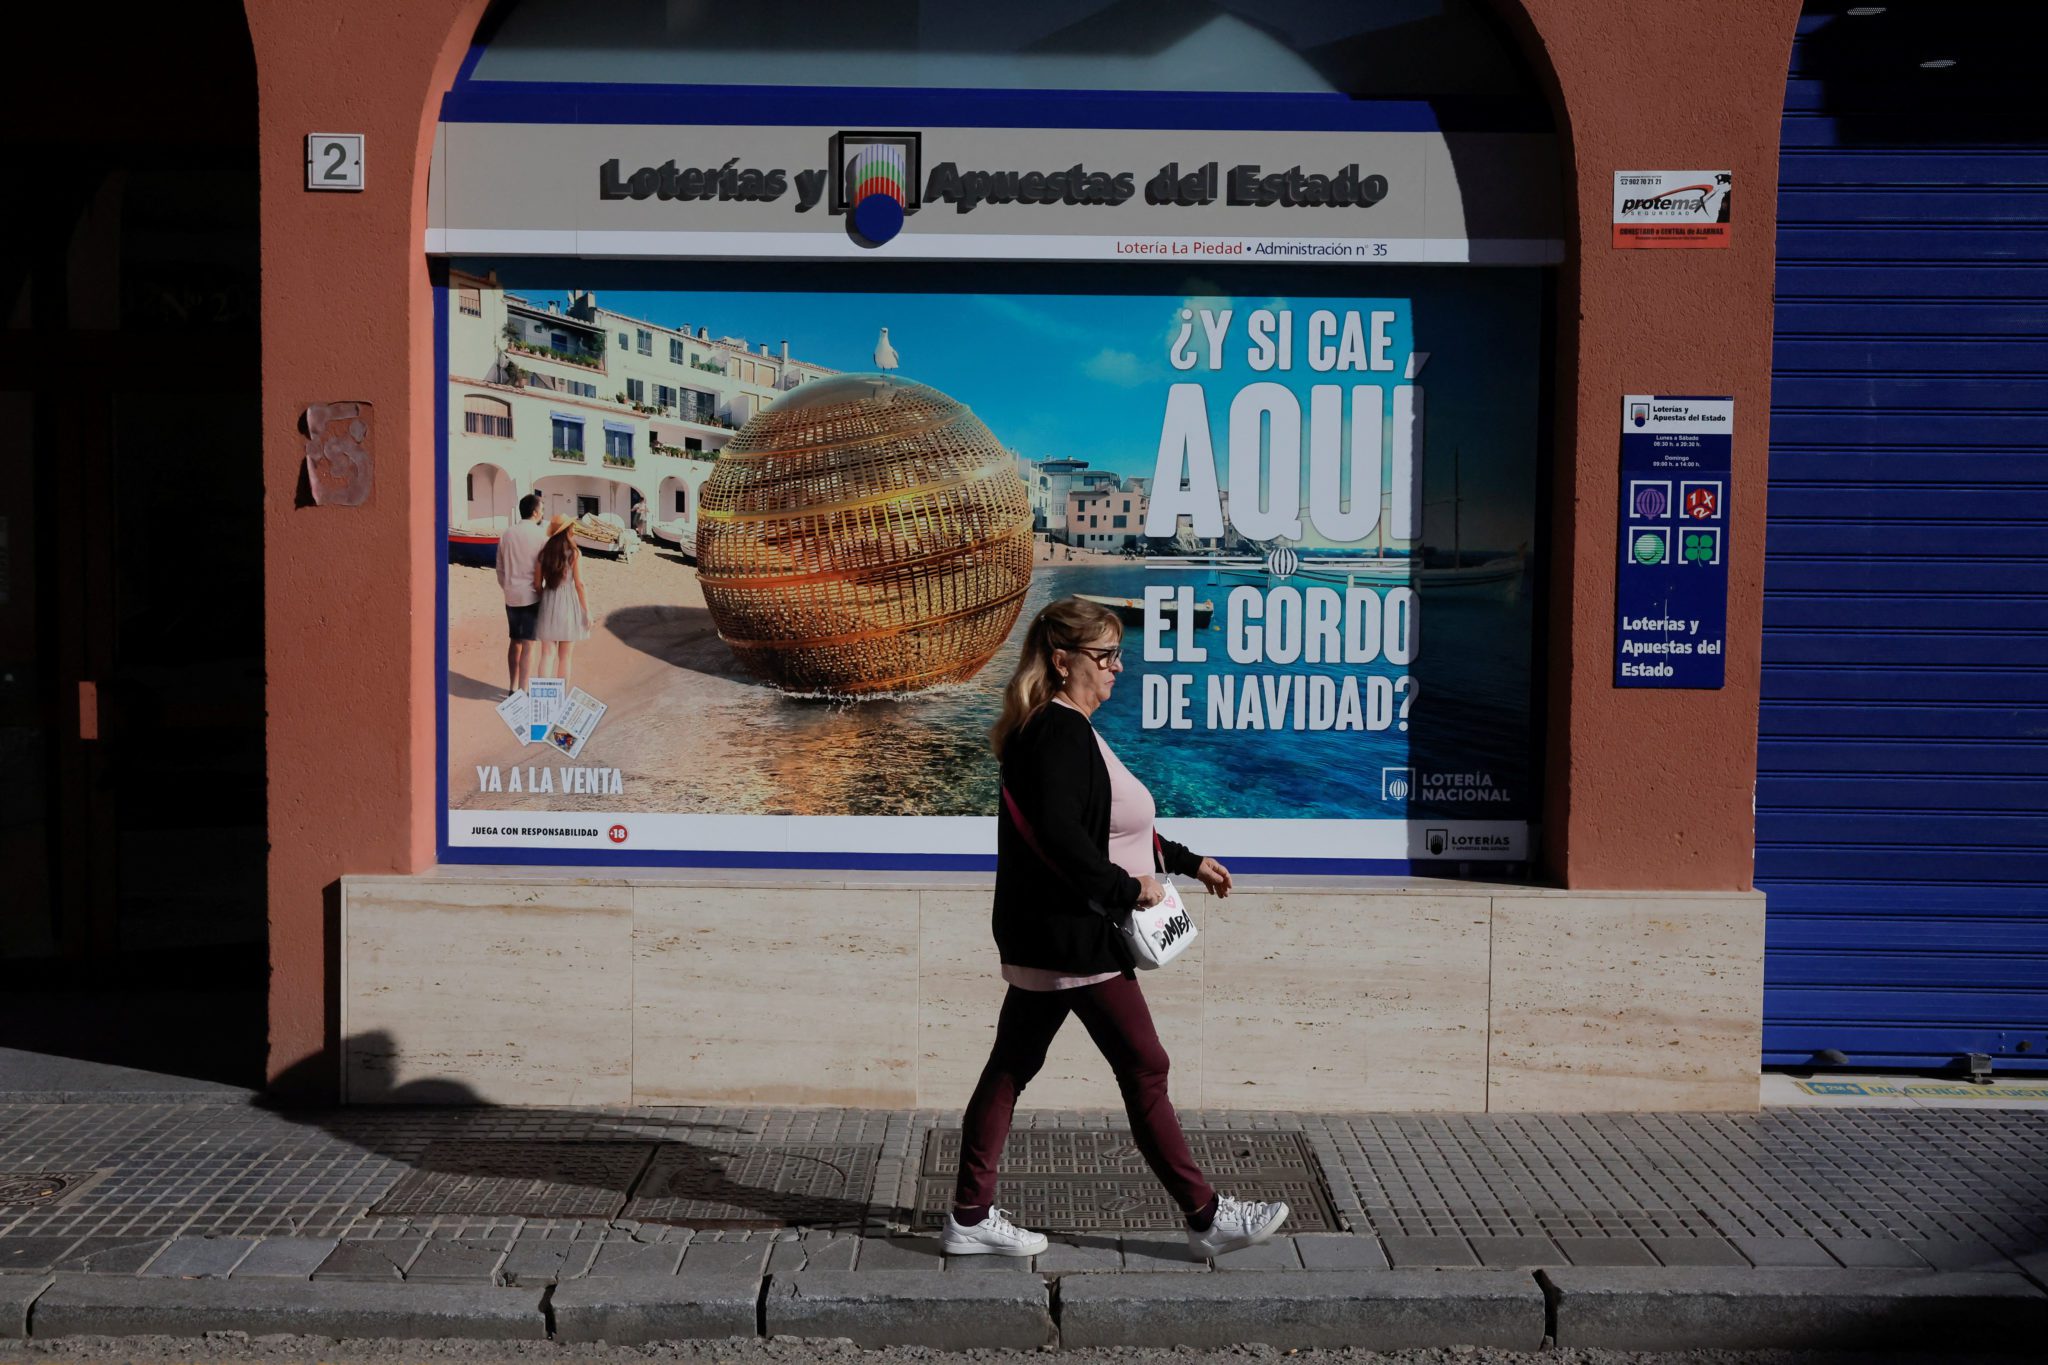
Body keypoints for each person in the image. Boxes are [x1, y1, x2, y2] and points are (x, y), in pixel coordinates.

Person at [942, 596, 1289, 1261]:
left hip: (1057, 933)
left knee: (1012, 1064)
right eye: (1105, 656)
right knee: (1144, 1064)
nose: (1118, 669)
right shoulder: (1056, 732)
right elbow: (1062, 838)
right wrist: (1127, 889)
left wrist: (1185, 861)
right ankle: (1206, 1214)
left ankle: (969, 1213)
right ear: (1062, 659)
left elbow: (1121, 822)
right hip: (1077, 936)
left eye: (1117, 655)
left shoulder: (1062, 727)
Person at [495, 493, 548, 696]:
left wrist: (506, 586)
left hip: (511, 594)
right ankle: (524, 690)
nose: (542, 513)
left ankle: (512, 686)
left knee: (514, 640)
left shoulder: (506, 534)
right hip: (531, 595)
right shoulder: (541, 536)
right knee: (528, 644)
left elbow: (499, 567)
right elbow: (544, 568)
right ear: (535, 512)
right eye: (541, 509)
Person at [532, 513, 591, 688]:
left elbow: (536, 584)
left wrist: (546, 598)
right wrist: (587, 611)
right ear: (568, 530)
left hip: (548, 601)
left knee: (547, 654)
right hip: (568, 604)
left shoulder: (543, 554)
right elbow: (579, 584)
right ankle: (561, 697)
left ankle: (543, 697)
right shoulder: (574, 553)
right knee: (565, 657)